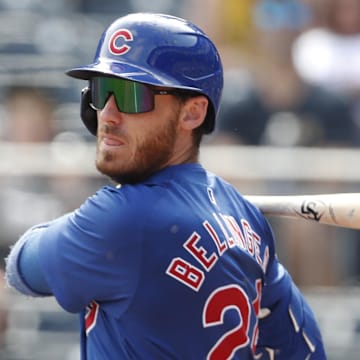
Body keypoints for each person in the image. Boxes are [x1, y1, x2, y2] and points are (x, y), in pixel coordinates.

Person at [5, 13, 326, 359]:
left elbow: (23, 268)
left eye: (131, 95)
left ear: (192, 113)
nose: (108, 115)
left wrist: (95, 218)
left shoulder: (121, 218)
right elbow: (305, 349)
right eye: (102, 92)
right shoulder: (245, 218)